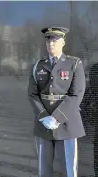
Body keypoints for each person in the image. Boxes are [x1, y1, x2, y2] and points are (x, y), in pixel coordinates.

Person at [28, 26, 86, 177]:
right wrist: (43, 116)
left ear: (63, 42)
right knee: (44, 169)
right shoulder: (38, 65)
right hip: (44, 125)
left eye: (54, 41)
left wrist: (56, 117)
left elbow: (76, 95)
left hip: (66, 124)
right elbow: (33, 94)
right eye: (48, 41)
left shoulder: (74, 64)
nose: (50, 44)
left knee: (68, 169)